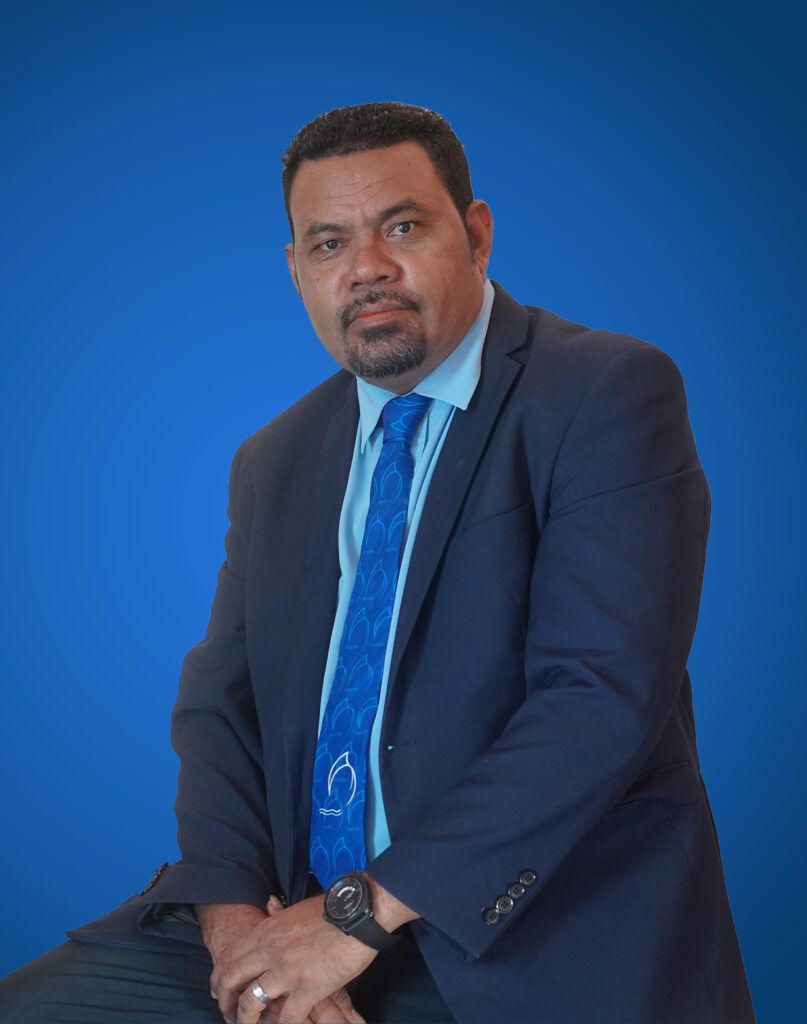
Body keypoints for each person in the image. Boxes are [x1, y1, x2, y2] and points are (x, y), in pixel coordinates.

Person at [0, 101, 755, 1024]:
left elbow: (598, 701)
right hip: (290, 912)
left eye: (401, 227)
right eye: (328, 244)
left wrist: (353, 921)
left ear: (475, 235)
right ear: (296, 270)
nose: (365, 268)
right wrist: (241, 937)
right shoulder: (274, 458)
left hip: (521, 933)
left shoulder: (604, 393)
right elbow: (221, 711)